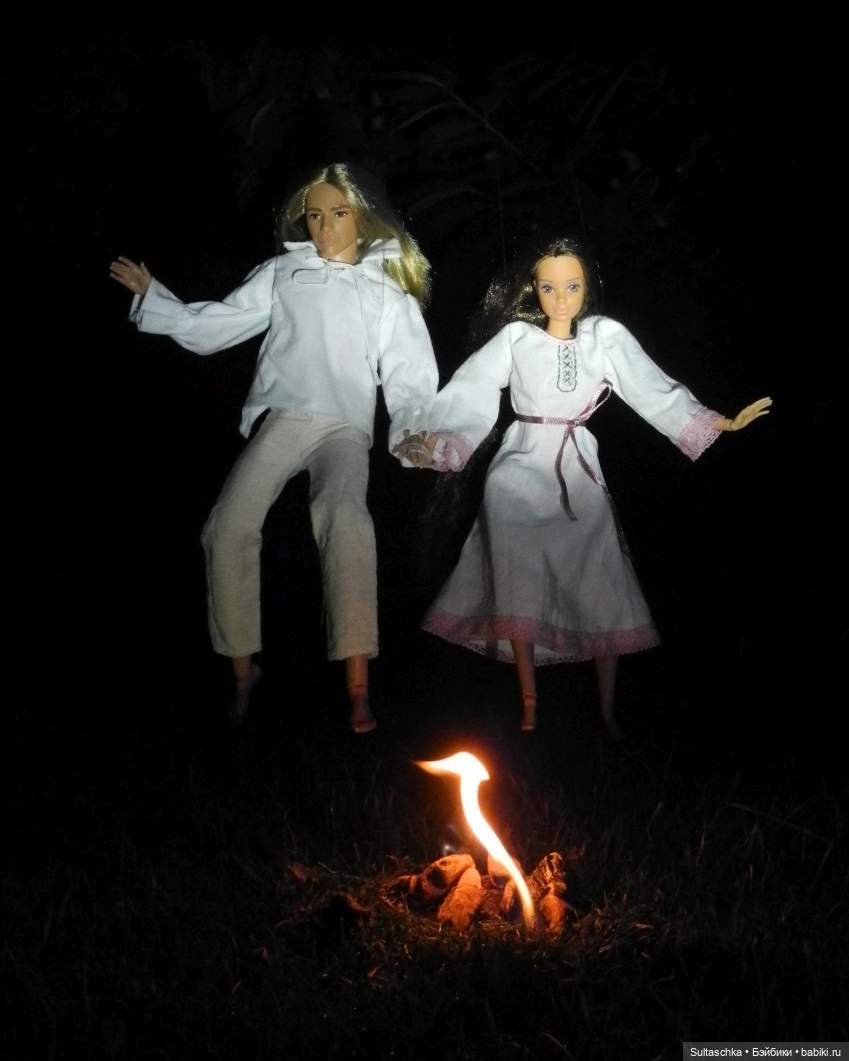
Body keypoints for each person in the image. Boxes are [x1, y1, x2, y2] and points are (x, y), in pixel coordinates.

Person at [392, 236, 771, 739]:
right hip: (520, 461)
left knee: (600, 570)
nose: (561, 298)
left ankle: (607, 709)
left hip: (577, 464)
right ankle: (529, 701)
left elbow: (648, 385)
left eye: (572, 286)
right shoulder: (516, 339)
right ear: (534, 288)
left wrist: (714, 421)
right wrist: (439, 439)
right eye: (549, 287)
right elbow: (473, 386)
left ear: (587, 286)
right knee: (516, 562)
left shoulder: (602, 337)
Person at [110, 161, 439, 733]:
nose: (325, 227)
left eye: (338, 214)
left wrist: (413, 429)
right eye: (315, 216)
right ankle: (243, 672)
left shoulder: (385, 290)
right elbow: (223, 321)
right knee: (227, 526)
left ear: (361, 217)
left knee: (345, 520)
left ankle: (358, 684)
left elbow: (409, 371)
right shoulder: (284, 272)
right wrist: (156, 299)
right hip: (284, 418)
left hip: (344, 427)